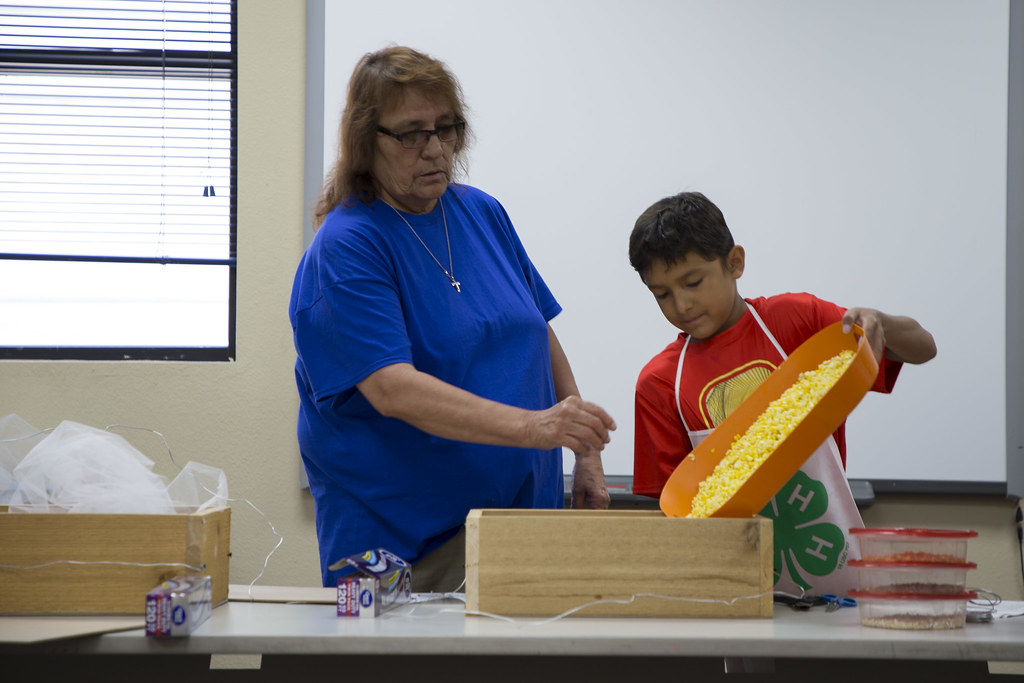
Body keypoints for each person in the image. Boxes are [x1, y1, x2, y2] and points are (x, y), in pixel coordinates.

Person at [289, 46, 616, 592]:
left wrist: (584, 452)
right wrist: (535, 428)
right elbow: (394, 389)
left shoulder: (480, 211)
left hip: (518, 527)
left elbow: (537, 332)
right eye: (412, 132)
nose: (435, 148)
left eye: (446, 128)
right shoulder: (347, 247)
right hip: (410, 550)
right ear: (368, 142)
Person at [628, 191, 936, 592]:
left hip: (832, 565)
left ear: (735, 262)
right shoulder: (659, 383)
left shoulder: (796, 322)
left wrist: (879, 321)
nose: (682, 304)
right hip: (734, 588)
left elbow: (924, 348)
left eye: (693, 282)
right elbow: (677, 514)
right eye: (662, 294)